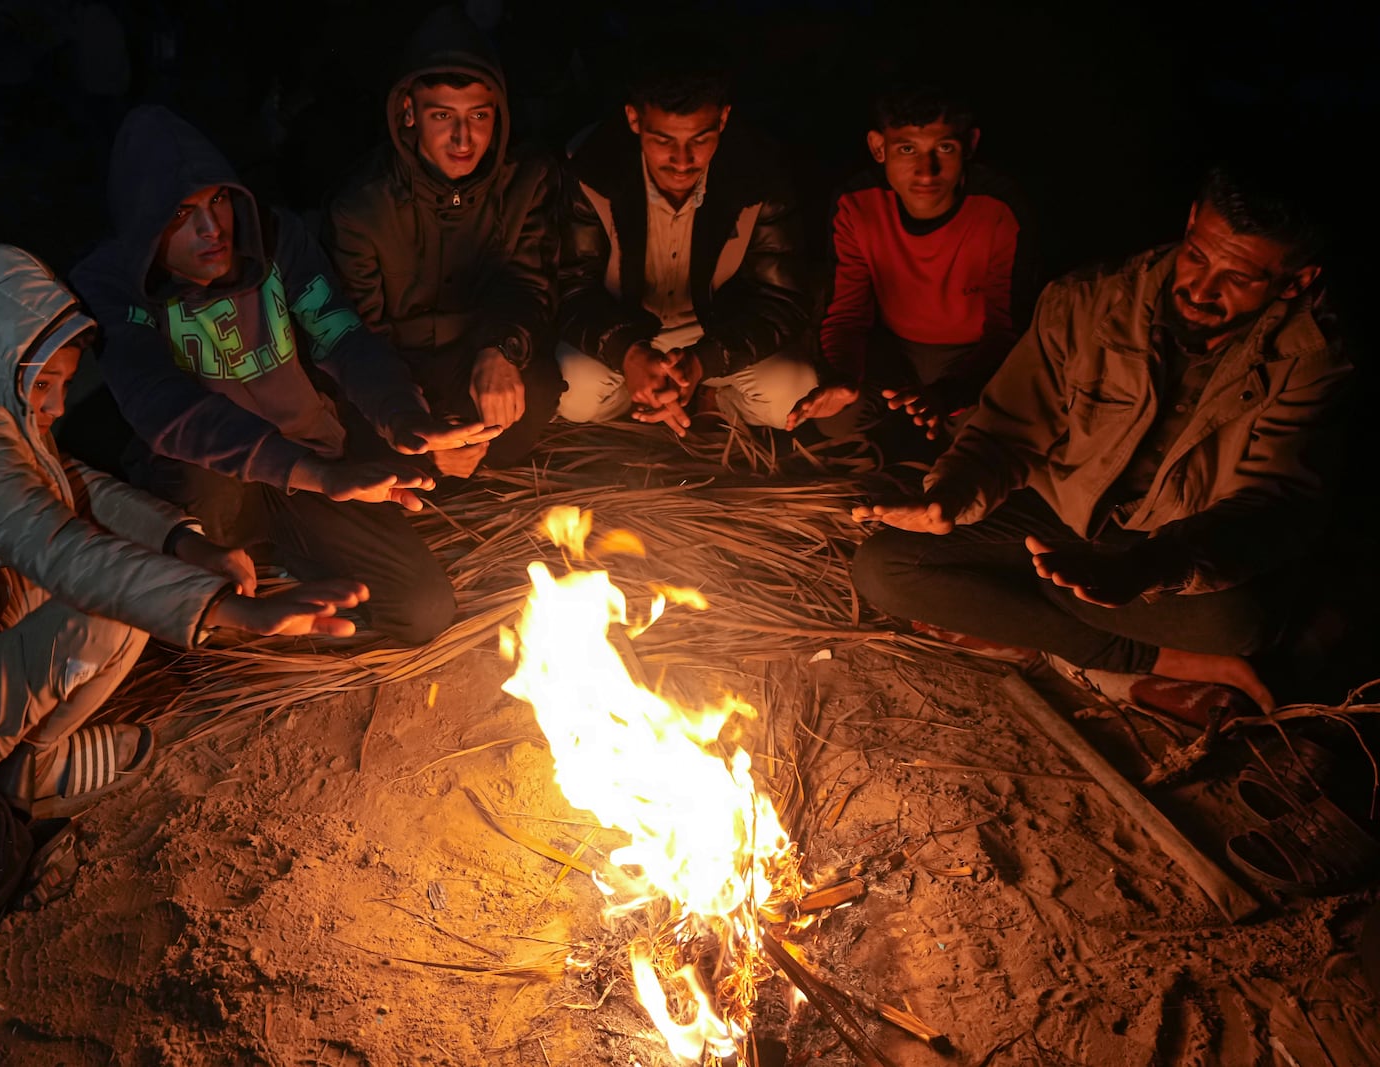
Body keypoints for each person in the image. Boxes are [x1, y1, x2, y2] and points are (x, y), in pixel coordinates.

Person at [0, 245, 366, 806]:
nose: (58, 407)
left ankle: (14, 747)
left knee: (110, 566)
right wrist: (233, 609)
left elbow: (74, 488)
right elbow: (63, 551)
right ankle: (29, 768)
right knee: (112, 605)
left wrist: (184, 542)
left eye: (63, 385)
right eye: (43, 385)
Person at [851, 164, 1349, 713]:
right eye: (1197, 254)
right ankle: (1151, 658)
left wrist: (1150, 567)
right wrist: (949, 495)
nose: (1202, 289)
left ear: (1297, 281)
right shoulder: (1088, 301)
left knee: (1238, 621)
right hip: (1062, 514)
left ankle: (1045, 614)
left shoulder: (1310, 357)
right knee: (884, 567)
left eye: (1239, 278)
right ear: (1189, 223)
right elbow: (1009, 427)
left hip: (1171, 547)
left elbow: (1272, 505)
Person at [73, 105, 495, 646]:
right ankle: (233, 583)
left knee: (423, 610)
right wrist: (314, 474)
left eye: (219, 201)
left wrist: (405, 417)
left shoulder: (271, 239)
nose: (211, 229)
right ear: (145, 222)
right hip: (206, 484)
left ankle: (293, 560)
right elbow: (163, 408)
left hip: (309, 459)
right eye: (181, 214)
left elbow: (341, 335)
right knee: (194, 631)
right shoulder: (113, 281)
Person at [323, 5, 562, 480]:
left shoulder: (525, 181)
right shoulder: (363, 206)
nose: (463, 137)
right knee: (366, 435)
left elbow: (530, 287)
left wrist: (501, 350)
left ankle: (477, 466)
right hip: (397, 369)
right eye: (442, 116)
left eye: (478, 115)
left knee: (535, 393)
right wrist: (425, 427)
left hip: (477, 357)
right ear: (408, 113)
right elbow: (360, 337)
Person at [555, 37, 815, 435]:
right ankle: (648, 400)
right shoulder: (593, 167)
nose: (681, 161)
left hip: (718, 331)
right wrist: (627, 353)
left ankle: (710, 395)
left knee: (792, 395)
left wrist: (705, 361)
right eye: (663, 141)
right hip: (622, 327)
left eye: (700, 139)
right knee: (573, 393)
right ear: (634, 120)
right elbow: (571, 286)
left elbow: (782, 300)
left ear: (723, 120)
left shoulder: (759, 172)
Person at [791, 84, 1033, 444]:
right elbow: (846, 313)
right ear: (878, 147)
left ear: (970, 144)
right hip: (893, 350)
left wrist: (950, 393)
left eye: (944, 148)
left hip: (973, 355)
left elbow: (1007, 331)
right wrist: (842, 377)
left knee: (984, 433)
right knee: (837, 419)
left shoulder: (997, 208)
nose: (926, 171)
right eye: (907, 149)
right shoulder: (858, 204)